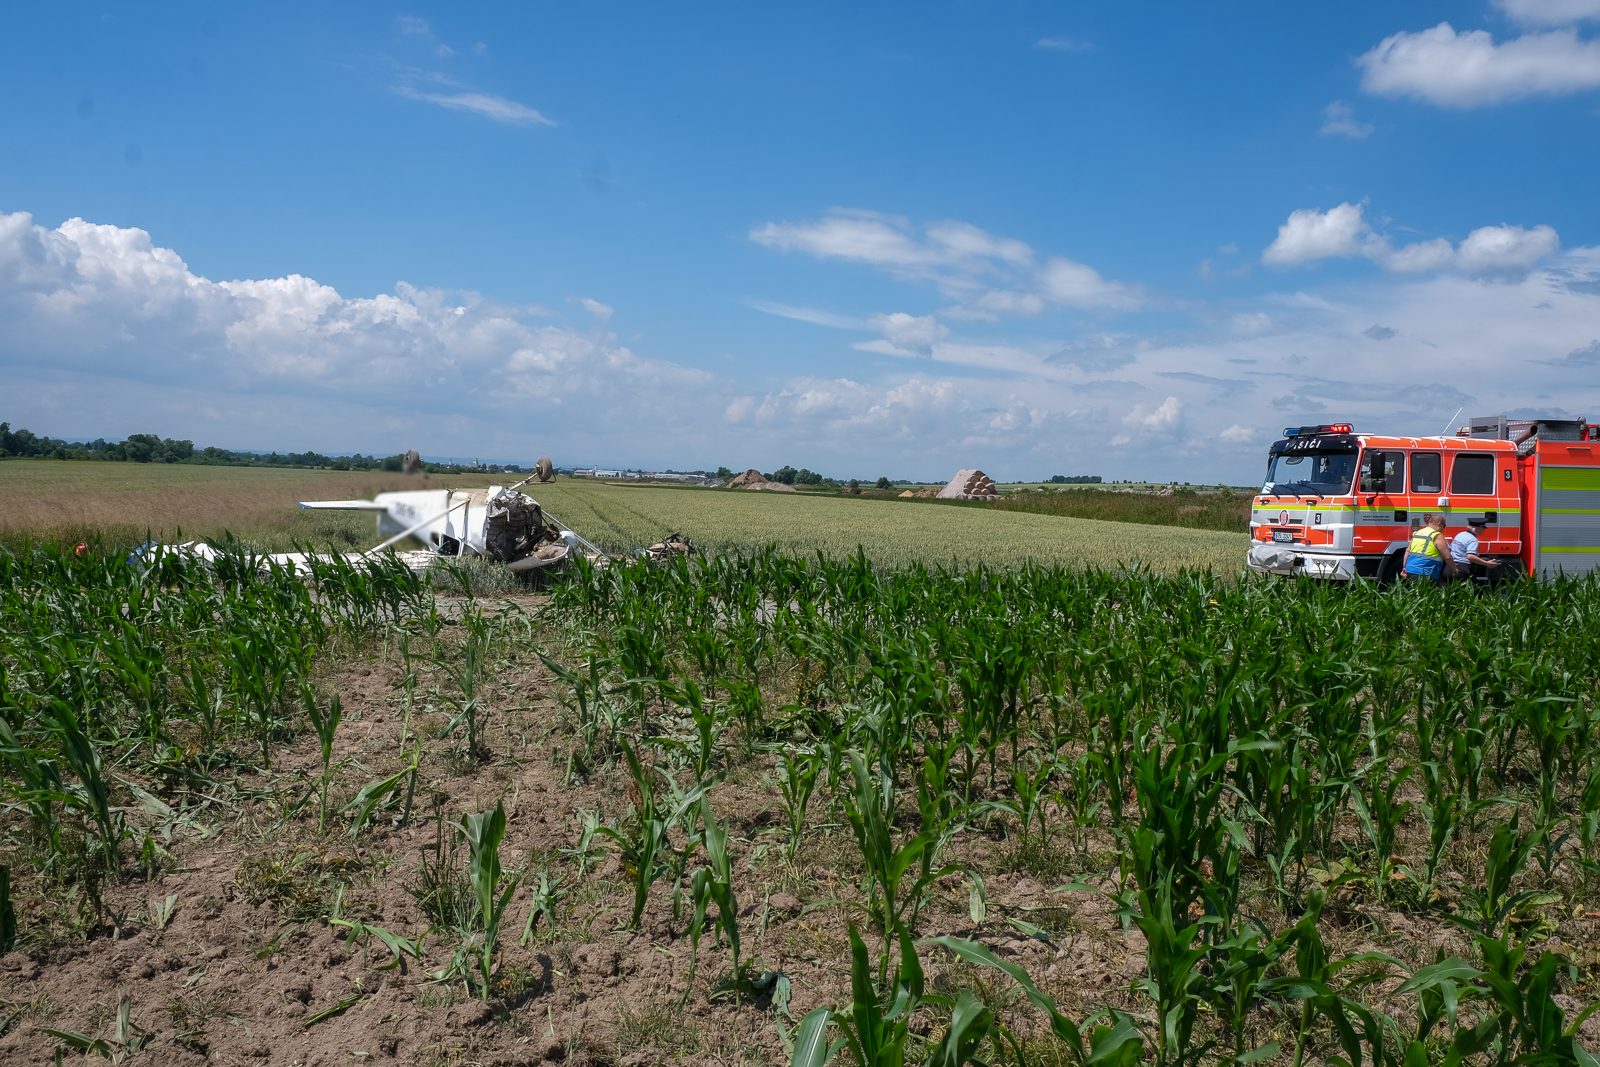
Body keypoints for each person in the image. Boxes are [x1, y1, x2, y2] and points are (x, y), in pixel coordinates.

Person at [1404, 514, 1453, 582]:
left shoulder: (1417, 533)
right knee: (1443, 590)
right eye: (1444, 526)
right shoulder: (1437, 535)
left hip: (1410, 569)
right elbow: (1448, 557)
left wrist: (1404, 567)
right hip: (1425, 572)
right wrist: (1454, 569)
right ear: (1439, 524)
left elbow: (1407, 551)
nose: (1443, 529)